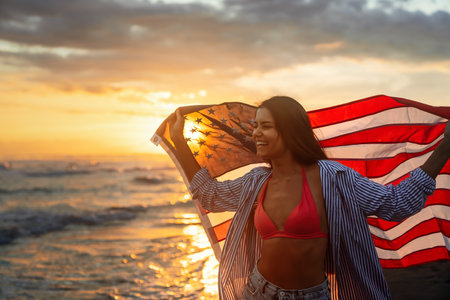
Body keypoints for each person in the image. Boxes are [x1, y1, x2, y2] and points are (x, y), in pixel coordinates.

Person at [168, 96, 450, 300]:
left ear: (289, 131)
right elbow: (211, 196)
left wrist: (445, 147)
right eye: (255, 126)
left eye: (265, 126)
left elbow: (397, 203)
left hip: (310, 296)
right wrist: (180, 142)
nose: (255, 134)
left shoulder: (334, 178)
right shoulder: (257, 180)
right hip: (258, 290)